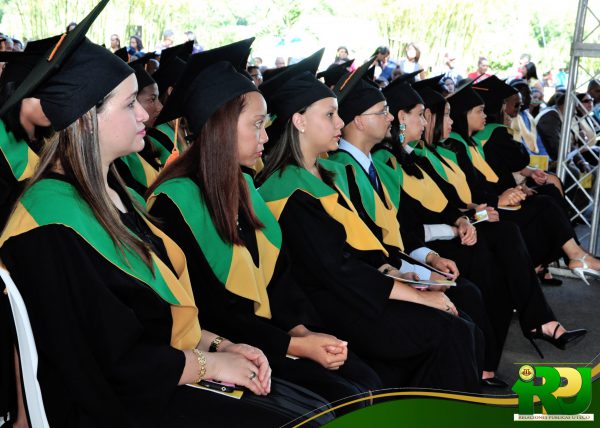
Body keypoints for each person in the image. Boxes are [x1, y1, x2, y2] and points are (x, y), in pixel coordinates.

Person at [0, 7, 332, 426]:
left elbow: (159, 317)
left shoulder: (117, 197)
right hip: (122, 407)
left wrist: (220, 346)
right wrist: (209, 364)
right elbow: (110, 361)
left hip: (164, 377)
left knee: (314, 409)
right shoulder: (48, 225)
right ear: (86, 120)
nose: (145, 113)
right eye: (129, 104)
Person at [146, 44, 382, 413]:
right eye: (257, 124)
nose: (266, 137)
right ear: (222, 126)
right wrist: (295, 346)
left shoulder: (243, 185)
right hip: (228, 351)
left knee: (365, 381)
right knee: (342, 399)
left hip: (272, 339)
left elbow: (280, 278)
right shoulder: (173, 204)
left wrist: (303, 332)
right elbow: (208, 312)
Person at [256, 59, 483, 393]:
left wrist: (405, 276)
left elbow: (361, 248)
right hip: (330, 307)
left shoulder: (327, 174)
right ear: (299, 121)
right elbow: (337, 269)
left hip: (359, 292)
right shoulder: (287, 189)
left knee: (457, 322)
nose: (340, 122)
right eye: (330, 115)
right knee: (451, 330)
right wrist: (416, 296)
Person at [446, 83, 600, 286]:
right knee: (546, 202)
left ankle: (565, 257)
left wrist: (509, 193)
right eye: (479, 111)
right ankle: (562, 258)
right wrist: (498, 199)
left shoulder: (469, 142)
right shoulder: (459, 143)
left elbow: (484, 180)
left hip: (487, 203)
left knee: (546, 201)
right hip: (477, 212)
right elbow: (467, 190)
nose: (484, 115)